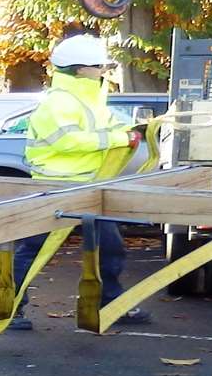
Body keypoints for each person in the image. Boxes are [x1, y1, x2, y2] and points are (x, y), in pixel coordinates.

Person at [9, 33, 151, 329]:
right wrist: (118, 138)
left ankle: (109, 303)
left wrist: (137, 130)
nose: (104, 71)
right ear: (80, 69)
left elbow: (111, 127)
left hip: (89, 186)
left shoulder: (90, 99)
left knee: (109, 248)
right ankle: (9, 308)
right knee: (35, 250)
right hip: (55, 188)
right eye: (100, 66)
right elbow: (69, 141)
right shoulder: (58, 102)